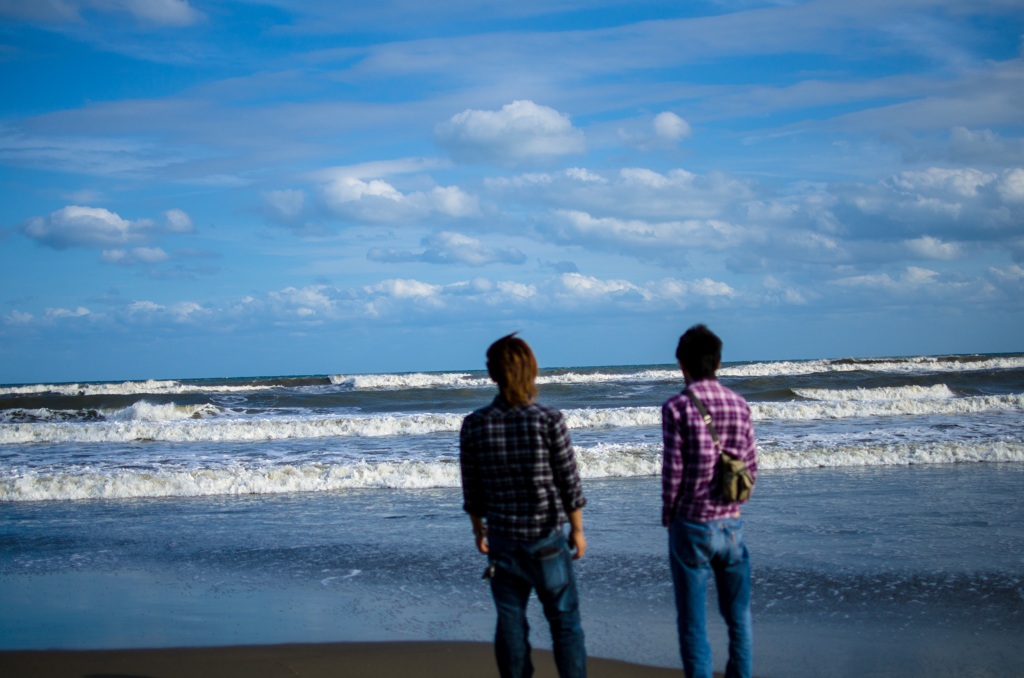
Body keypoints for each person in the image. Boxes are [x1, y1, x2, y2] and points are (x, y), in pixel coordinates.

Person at [460, 333, 588, 678]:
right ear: (532, 372)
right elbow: (568, 481)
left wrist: (478, 529)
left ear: (492, 375)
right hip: (546, 537)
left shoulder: (475, 424)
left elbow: (472, 488)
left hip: (503, 540)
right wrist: (577, 529)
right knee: (564, 624)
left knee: (511, 625)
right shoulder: (548, 419)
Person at [662, 324, 758, 678]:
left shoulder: (677, 407)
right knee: (738, 616)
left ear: (681, 364)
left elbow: (673, 470)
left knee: (693, 621)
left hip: (691, 523)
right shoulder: (739, 403)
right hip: (731, 523)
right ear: (717, 362)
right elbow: (750, 467)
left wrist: (668, 513)